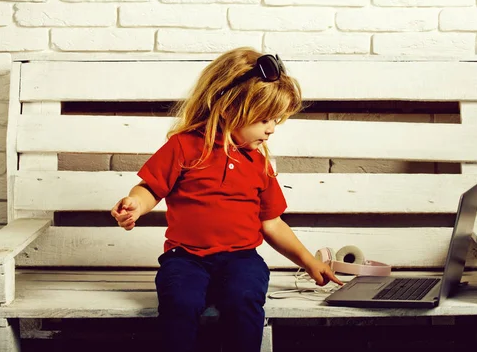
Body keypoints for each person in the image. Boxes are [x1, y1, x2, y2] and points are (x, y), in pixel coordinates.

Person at [110, 47, 342, 352]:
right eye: (264, 119)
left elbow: (271, 223)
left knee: (244, 297)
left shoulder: (258, 163)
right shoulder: (184, 147)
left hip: (241, 259)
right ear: (229, 106)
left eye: (276, 120)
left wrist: (310, 262)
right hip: (186, 258)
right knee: (179, 301)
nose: (272, 129)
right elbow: (152, 188)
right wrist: (136, 204)